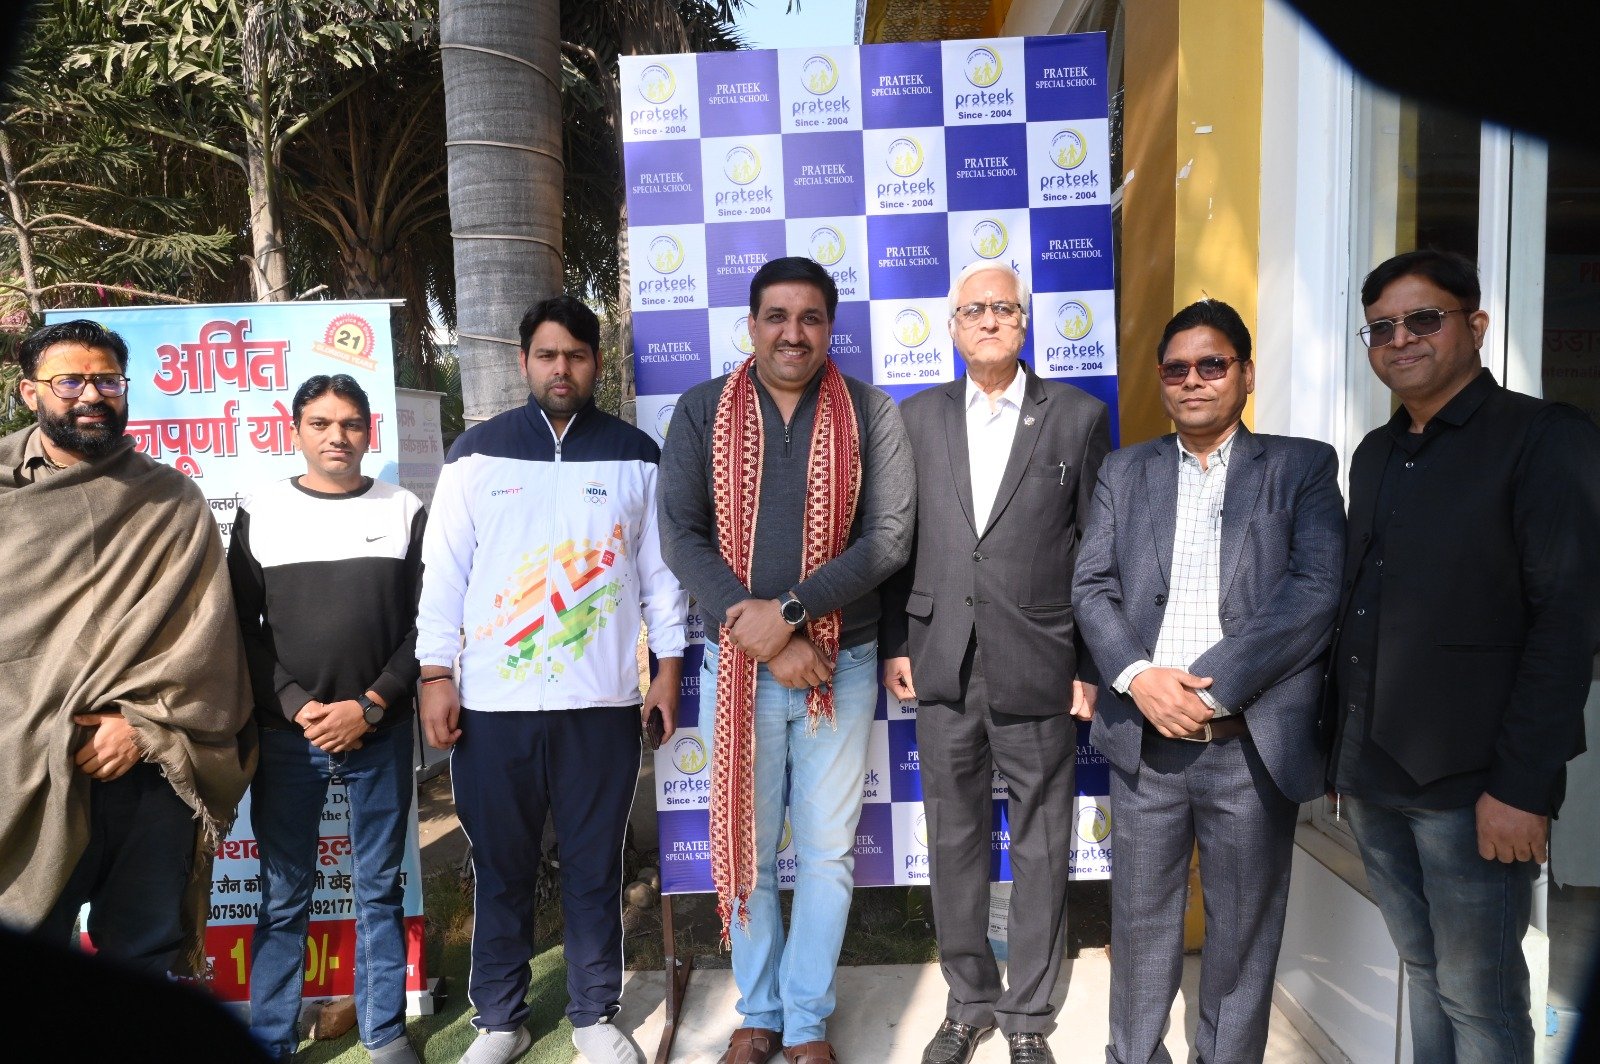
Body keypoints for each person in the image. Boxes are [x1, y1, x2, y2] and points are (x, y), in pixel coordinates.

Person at [1327, 249, 1600, 1063]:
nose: (1400, 339)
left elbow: (1568, 623)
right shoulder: (1374, 453)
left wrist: (1522, 787)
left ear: (1475, 325)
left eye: (1423, 319)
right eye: (1381, 328)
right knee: (1424, 970)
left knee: (1481, 997)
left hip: (1475, 789)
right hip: (1371, 777)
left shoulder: (1542, 438)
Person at [1073, 299, 1345, 1064]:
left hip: (1249, 745)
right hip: (1146, 743)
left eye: (1212, 364)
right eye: (1176, 369)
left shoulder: (1301, 467)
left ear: (1246, 374)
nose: (1193, 380)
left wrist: (1209, 691)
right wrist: (1138, 678)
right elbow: (1090, 585)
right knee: (1140, 927)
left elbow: (1315, 591)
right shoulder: (1125, 471)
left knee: (1242, 934)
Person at [417, 295, 687, 1064]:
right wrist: (436, 673)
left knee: (595, 867)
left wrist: (668, 670)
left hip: (600, 706)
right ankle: (500, 1021)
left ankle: (595, 1015)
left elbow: (662, 577)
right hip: (491, 708)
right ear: (523, 361)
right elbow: (444, 574)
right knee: (501, 868)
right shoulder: (476, 455)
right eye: (546, 355)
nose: (560, 369)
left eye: (575, 355)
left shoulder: (635, 455)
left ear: (595, 362)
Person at [658, 256, 914, 1064]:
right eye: (776, 316)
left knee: (829, 852)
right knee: (750, 845)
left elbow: (889, 540)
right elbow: (680, 536)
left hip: (843, 660)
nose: (792, 333)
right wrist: (759, 630)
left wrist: (791, 616)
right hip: (737, 668)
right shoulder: (702, 410)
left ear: (830, 328)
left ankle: (806, 1022)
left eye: (809, 318)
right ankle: (758, 1012)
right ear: (752, 325)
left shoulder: (870, 412)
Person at [879, 262, 1110, 1064]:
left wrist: (1088, 663)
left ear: (1024, 322)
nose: (987, 320)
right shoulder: (915, 418)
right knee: (954, 840)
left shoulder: (1078, 418)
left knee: (1043, 841)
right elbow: (894, 542)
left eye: (1003, 308)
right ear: (951, 326)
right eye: (973, 309)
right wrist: (897, 642)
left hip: (1040, 661)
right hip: (941, 659)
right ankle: (968, 1000)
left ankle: (1029, 1016)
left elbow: (1096, 553)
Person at [0, 318, 255, 977]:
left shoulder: (170, 500)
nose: (92, 395)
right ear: (30, 392)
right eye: (70, 381)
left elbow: (208, 639)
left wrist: (141, 727)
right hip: (17, 768)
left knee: (144, 959)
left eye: (108, 381)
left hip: (143, 772)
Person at [229, 374, 427, 1064]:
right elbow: (238, 626)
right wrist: (293, 703)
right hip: (289, 737)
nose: (336, 436)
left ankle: (385, 1033)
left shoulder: (403, 509)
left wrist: (371, 705)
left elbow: (427, 623)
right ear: (296, 431)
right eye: (320, 423)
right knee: (283, 897)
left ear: (369, 431)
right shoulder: (261, 511)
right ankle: (271, 1037)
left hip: (380, 731)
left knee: (379, 890)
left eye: (350, 423)